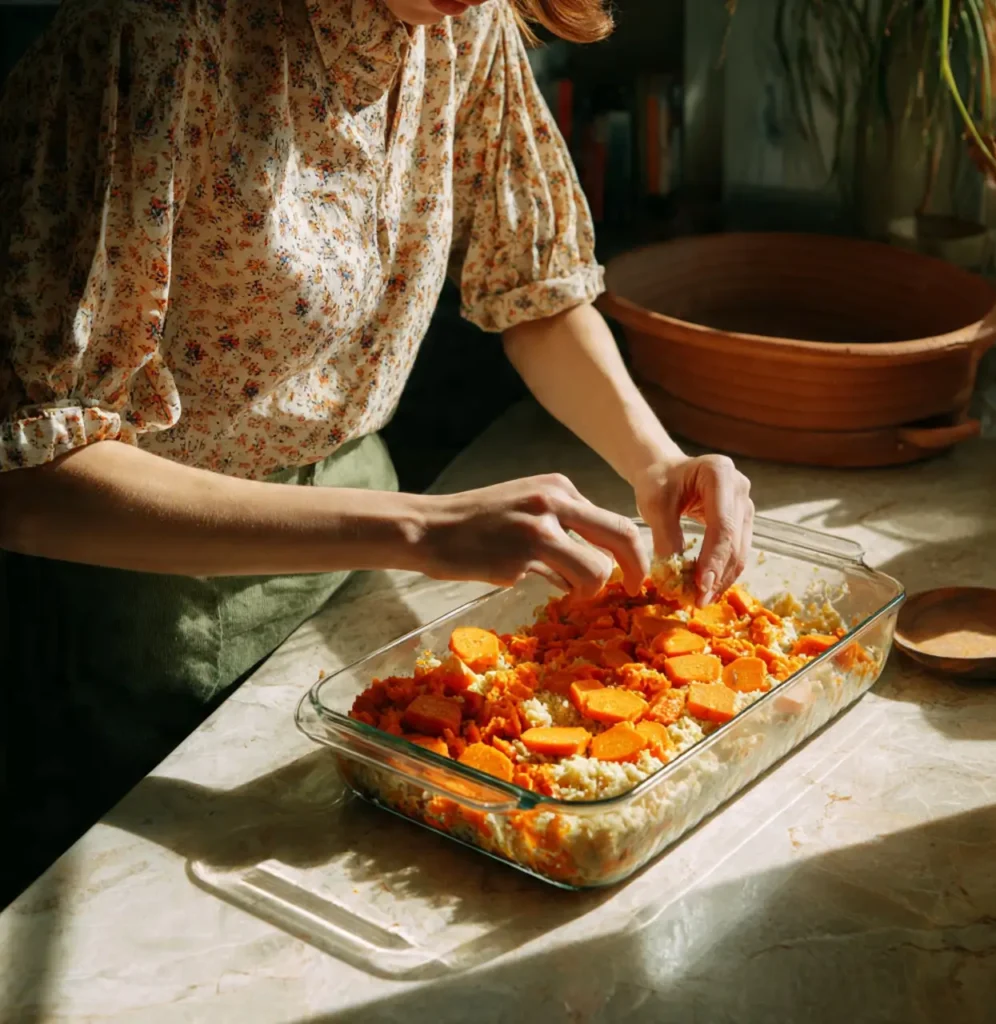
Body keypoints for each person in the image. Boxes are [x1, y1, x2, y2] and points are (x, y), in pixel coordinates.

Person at [0, 0, 753, 900]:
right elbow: (33, 479)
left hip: (361, 570)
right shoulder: (147, 36)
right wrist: (417, 529)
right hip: (144, 599)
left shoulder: (464, 24)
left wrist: (656, 460)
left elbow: (535, 292)